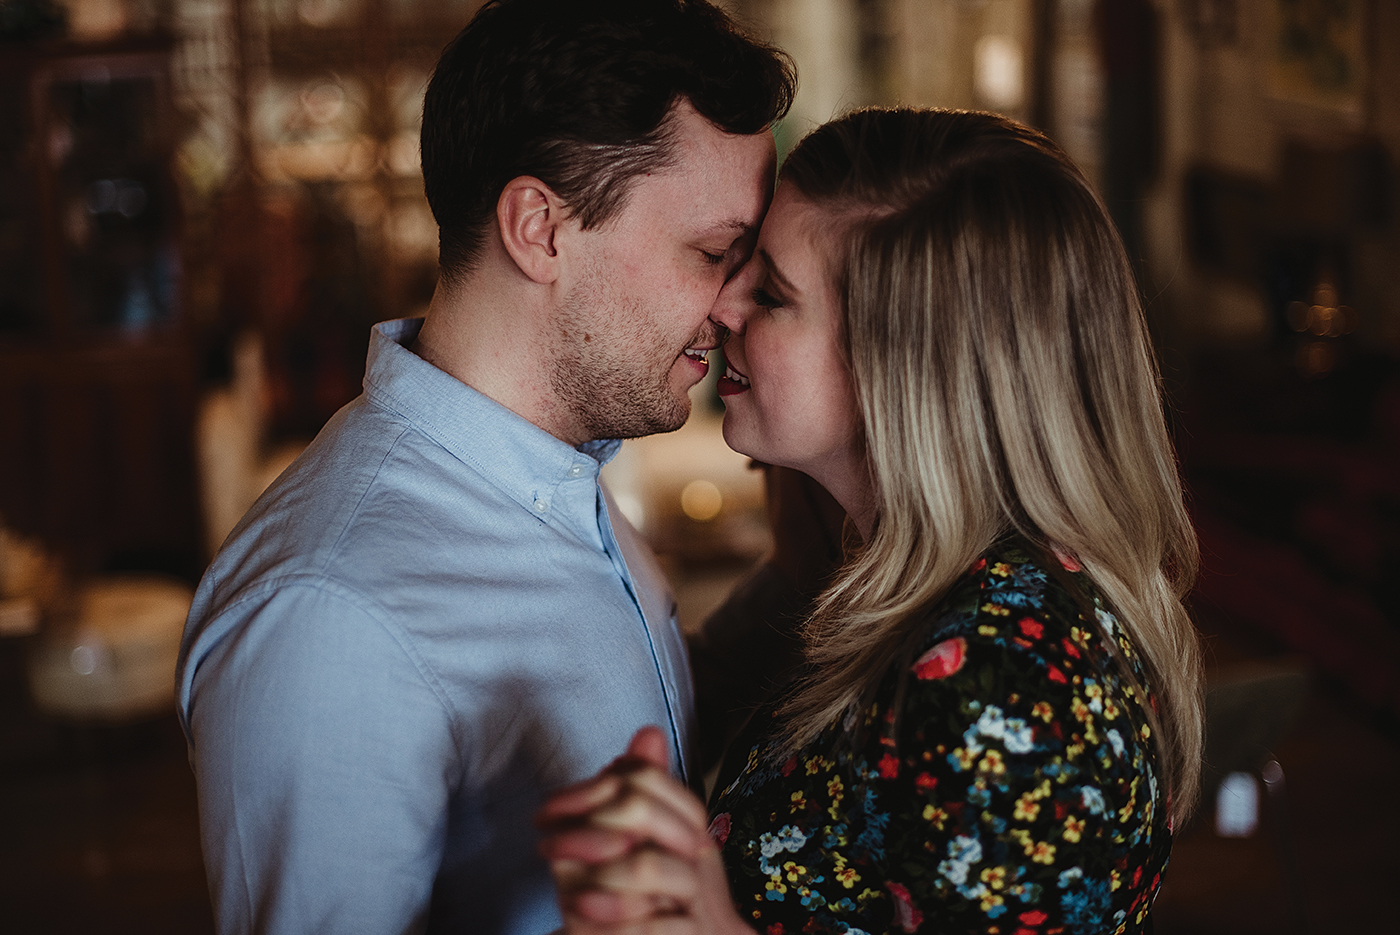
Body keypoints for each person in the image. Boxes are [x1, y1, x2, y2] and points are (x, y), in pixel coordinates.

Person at [174, 2, 795, 933]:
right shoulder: (333, 617)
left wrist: (815, 576)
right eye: (714, 252)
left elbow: (630, 724)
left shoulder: (562, 465)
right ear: (539, 227)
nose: (741, 299)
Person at [537, 108, 1205, 935]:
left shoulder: (1001, 680)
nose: (723, 304)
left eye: (772, 291)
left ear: (902, 370)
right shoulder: (912, 581)